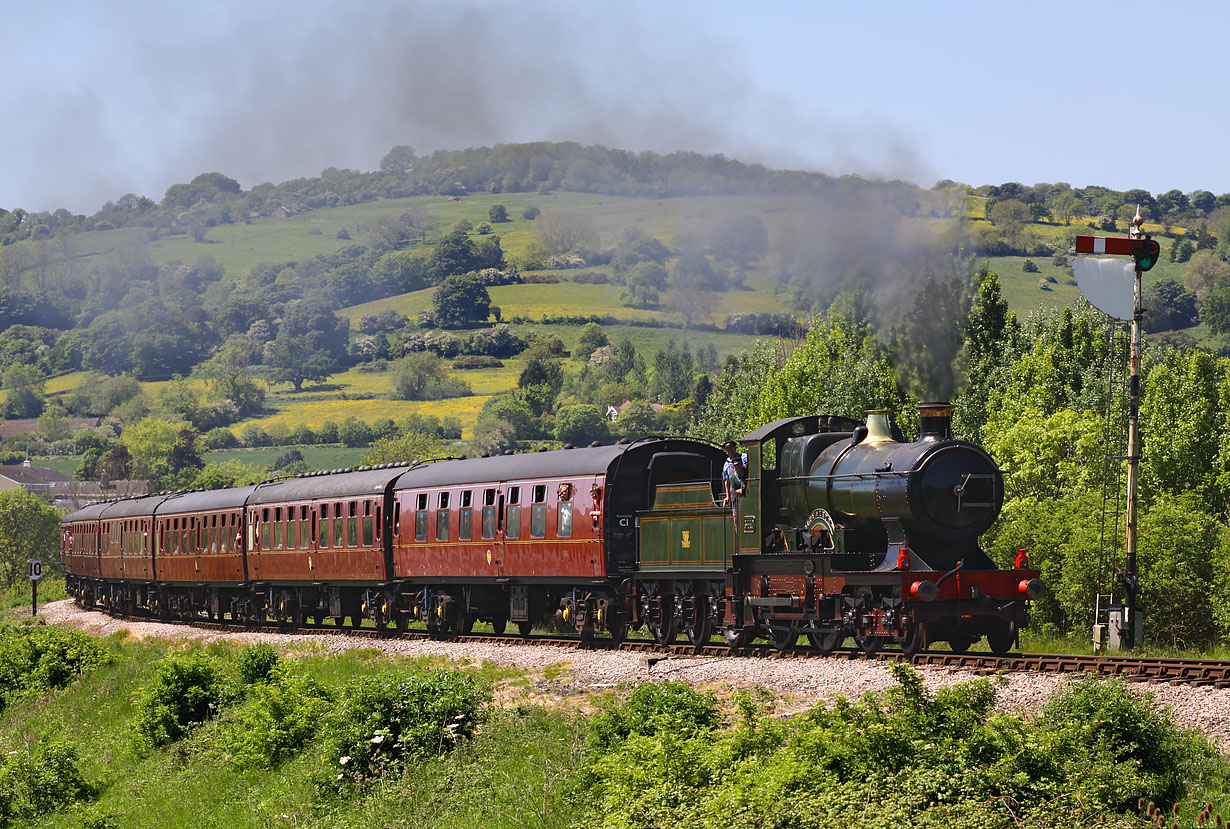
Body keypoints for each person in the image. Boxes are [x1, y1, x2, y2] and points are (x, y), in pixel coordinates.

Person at [722, 440, 748, 519]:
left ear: (735, 448)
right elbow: (727, 481)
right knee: (736, 513)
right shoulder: (726, 464)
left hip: (746, 484)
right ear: (725, 451)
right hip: (734, 490)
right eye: (728, 448)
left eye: (731, 447)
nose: (730, 450)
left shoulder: (743, 457)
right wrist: (727, 496)